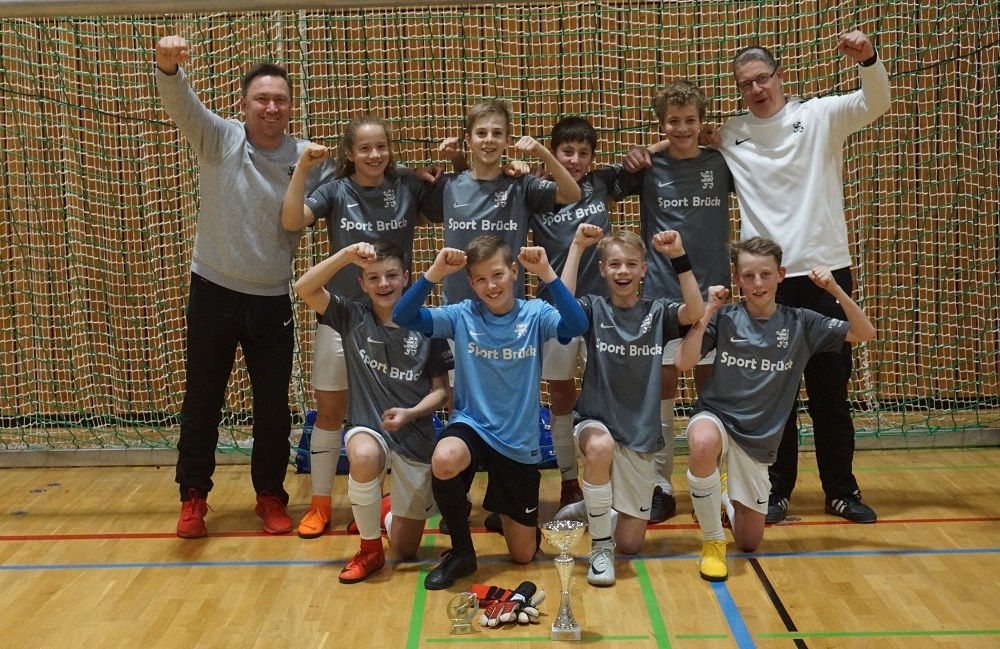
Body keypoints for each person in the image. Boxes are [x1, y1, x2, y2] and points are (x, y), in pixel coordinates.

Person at [155, 35, 333, 538]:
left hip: (272, 297)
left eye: (280, 100)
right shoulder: (221, 138)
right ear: (244, 104)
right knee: (203, 400)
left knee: (273, 406)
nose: (271, 107)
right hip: (214, 290)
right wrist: (168, 68)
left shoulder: (308, 157)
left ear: (290, 106)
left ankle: (270, 496)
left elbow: (362, 175)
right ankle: (193, 496)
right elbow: (182, 105)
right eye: (262, 99)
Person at [715, 30, 890, 524]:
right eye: (746, 83)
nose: (756, 89)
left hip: (823, 275)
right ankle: (775, 492)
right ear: (739, 89)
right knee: (777, 396)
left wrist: (868, 59)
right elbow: (686, 141)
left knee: (830, 393)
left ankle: (841, 490)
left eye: (763, 78)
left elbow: (876, 101)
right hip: (766, 283)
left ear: (780, 76)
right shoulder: (729, 134)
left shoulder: (819, 116)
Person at [392, 236, 588, 590]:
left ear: (514, 272)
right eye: (480, 279)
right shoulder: (462, 314)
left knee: (523, 555)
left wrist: (547, 272)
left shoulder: (535, 314)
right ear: (470, 283)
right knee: (444, 458)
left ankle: (506, 514)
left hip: (517, 439)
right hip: (473, 426)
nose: (491, 286)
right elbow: (402, 315)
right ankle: (462, 553)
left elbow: (576, 325)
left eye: (497, 275)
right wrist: (434, 272)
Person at [675, 237, 876, 581]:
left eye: (765, 274)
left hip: (757, 439)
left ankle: (724, 493)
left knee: (749, 541)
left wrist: (834, 289)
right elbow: (683, 361)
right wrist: (708, 311)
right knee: (703, 442)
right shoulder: (726, 318)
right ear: (737, 278)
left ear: (780, 275)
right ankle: (712, 542)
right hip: (718, 418)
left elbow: (865, 333)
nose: (757, 283)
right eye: (748, 275)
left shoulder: (801, 322)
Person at [281, 115, 439, 539]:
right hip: (343, 319)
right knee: (331, 411)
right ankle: (319, 504)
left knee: (392, 415)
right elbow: (292, 221)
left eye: (381, 147)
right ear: (349, 153)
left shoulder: (407, 186)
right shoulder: (336, 189)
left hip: (396, 325)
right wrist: (302, 169)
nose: (374, 155)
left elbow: (453, 204)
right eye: (365, 148)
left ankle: (381, 502)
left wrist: (439, 167)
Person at [293, 241, 452, 583]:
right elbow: (303, 287)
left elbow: (442, 393)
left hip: (414, 437)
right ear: (362, 284)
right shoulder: (352, 316)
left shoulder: (429, 324)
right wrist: (346, 257)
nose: (384, 284)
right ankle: (369, 550)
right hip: (368, 429)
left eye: (392, 275)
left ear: (406, 278)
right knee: (363, 455)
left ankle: (384, 510)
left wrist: (409, 413)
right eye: (373, 277)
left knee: (406, 549)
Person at [554, 225, 704, 586]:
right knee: (599, 447)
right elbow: (563, 306)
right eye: (615, 264)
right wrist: (577, 247)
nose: (623, 271)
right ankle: (600, 549)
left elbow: (695, 310)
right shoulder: (593, 308)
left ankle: (594, 509)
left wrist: (678, 256)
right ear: (603, 269)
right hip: (596, 421)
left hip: (639, 431)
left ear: (643, 270)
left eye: (631, 264)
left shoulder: (658, 312)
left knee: (632, 543)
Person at [617, 81, 735, 524]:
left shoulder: (721, 163)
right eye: (673, 121)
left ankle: (717, 487)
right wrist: (646, 151)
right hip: (662, 295)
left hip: (714, 293)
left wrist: (719, 140)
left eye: (690, 121)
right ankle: (660, 485)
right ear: (661, 124)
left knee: (713, 390)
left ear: (702, 123)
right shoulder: (648, 168)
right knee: (661, 391)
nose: (682, 128)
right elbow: (605, 183)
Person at [528, 116, 628, 508]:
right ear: (553, 153)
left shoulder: (601, 183)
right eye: (567, 151)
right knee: (561, 394)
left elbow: (639, 160)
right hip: (556, 308)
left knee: (608, 391)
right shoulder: (537, 191)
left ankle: (611, 475)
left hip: (604, 309)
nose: (574, 160)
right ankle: (569, 478)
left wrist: (647, 151)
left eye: (583, 153)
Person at [423, 99, 581, 306]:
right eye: (481, 133)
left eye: (497, 133)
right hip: (457, 311)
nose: (489, 140)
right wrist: (455, 159)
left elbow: (572, 195)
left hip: (509, 312)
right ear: (468, 140)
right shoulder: (448, 185)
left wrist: (543, 153)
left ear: (507, 141)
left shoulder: (521, 185)